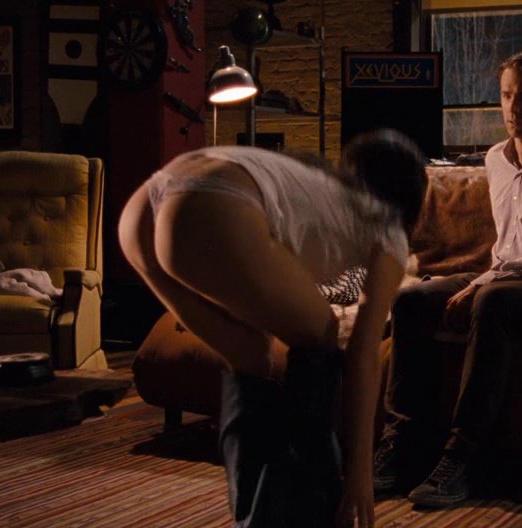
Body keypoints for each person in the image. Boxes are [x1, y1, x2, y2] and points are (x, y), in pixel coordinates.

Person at [118, 129, 428, 528]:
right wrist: (360, 474)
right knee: (321, 332)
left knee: (252, 357)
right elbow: (363, 354)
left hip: (143, 207)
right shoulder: (389, 229)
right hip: (212, 203)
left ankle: (256, 515)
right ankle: (311, 509)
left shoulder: (314, 186)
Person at [373, 50, 522, 508]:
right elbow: (507, 255)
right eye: (506, 96)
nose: (512, 108)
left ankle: (463, 456)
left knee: (492, 302)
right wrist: (485, 278)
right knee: (411, 301)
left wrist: (484, 282)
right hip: (502, 275)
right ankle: (403, 444)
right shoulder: (497, 159)